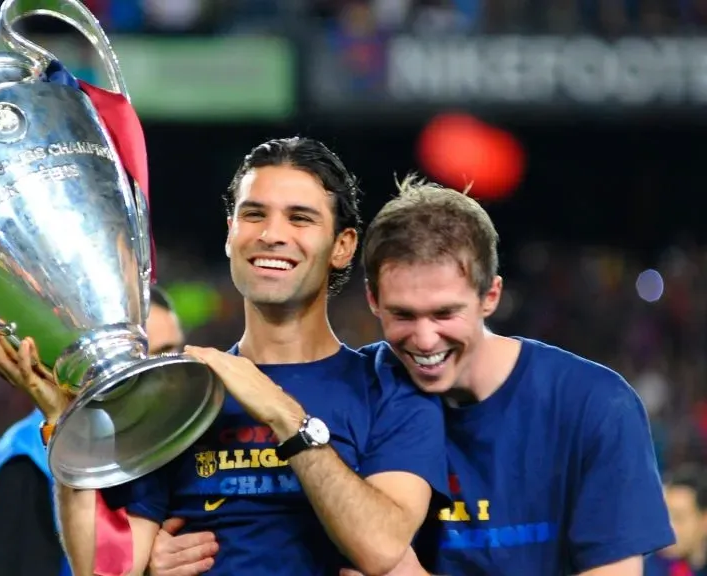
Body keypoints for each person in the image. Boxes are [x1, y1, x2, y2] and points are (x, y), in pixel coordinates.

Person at [0, 137, 449, 576]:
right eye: (254, 214)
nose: (271, 234)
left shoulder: (389, 384)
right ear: (230, 233)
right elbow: (105, 568)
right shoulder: (180, 390)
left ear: (342, 246)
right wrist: (64, 422)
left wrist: (283, 413)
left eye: (300, 218)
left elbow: (381, 546)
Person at [151, 174, 675, 576]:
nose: (424, 341)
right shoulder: (362, 390)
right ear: (374, 301)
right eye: (403, 315)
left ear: (490, 295)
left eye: (445, 313)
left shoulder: (593, 407)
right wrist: (156, 553)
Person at [0, 286, 186, 576]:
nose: (167, 373)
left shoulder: (179, 442)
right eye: (147, 357)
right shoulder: (29, 456)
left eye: (173, 352)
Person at [645, 464, 707, 576]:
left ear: (704, 520)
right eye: (665, 517)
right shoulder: (642, 569)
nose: (668, 528)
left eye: (679, 518)